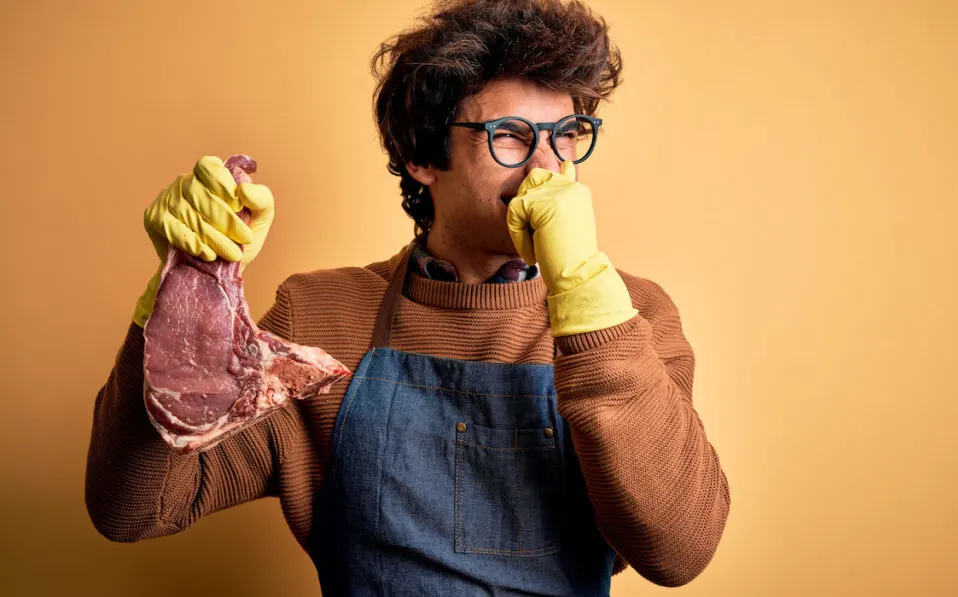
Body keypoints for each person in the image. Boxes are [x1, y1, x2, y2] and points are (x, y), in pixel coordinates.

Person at [85, 0, 730, 594]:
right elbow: (135, 509)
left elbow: (681, 550)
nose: (548, 168)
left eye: (566, 134)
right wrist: (182, 296)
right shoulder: (322, 315)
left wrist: (586, 292)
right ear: (424, 152)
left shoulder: (631, 316)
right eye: (511, 134)